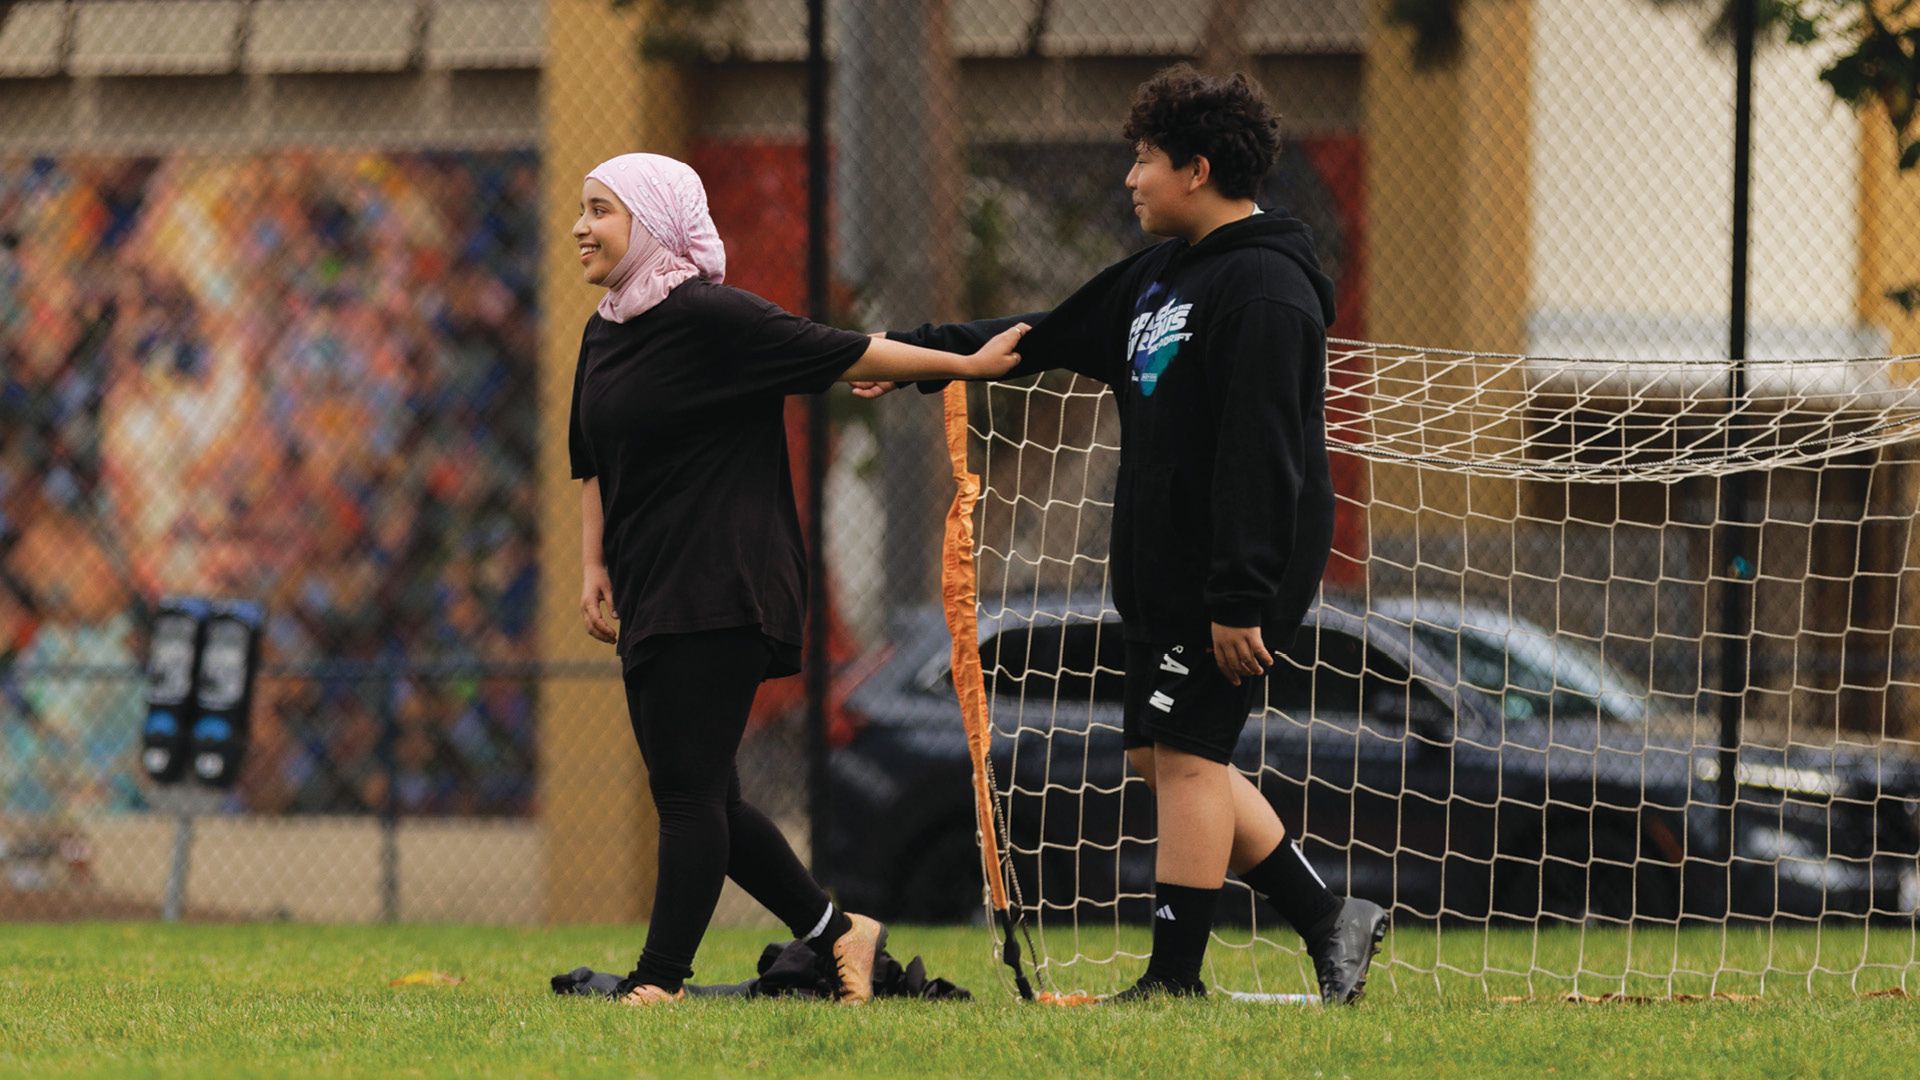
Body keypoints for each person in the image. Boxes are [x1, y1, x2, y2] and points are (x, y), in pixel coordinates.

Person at [855, 65, 1386, 1004]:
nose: (1130, 179)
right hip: (1161, 564)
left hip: (1233, 572)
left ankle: (1173, 979)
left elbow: (1265, 453)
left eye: (1142, 160)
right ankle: (1325, 915)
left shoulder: (1266, 285)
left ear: (1198, 167)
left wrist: (1239, 595)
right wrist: (922, 357)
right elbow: (1042, 334)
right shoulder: (1156, 278)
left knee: (1187, 759)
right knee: (1160, 754)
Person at [568, 152, 1028, 1006]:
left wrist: (963, 366)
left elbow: (841, 349)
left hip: (725, 581)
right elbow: (591, 458)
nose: (579, 227)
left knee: (688, 795)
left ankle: (660, 982)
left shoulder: (710, 317)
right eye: (581, 210)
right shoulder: (606, 329)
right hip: (648, 584)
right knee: (704, 794)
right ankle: (840, 935)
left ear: (655, 221)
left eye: (600, 210)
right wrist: (593, 562)